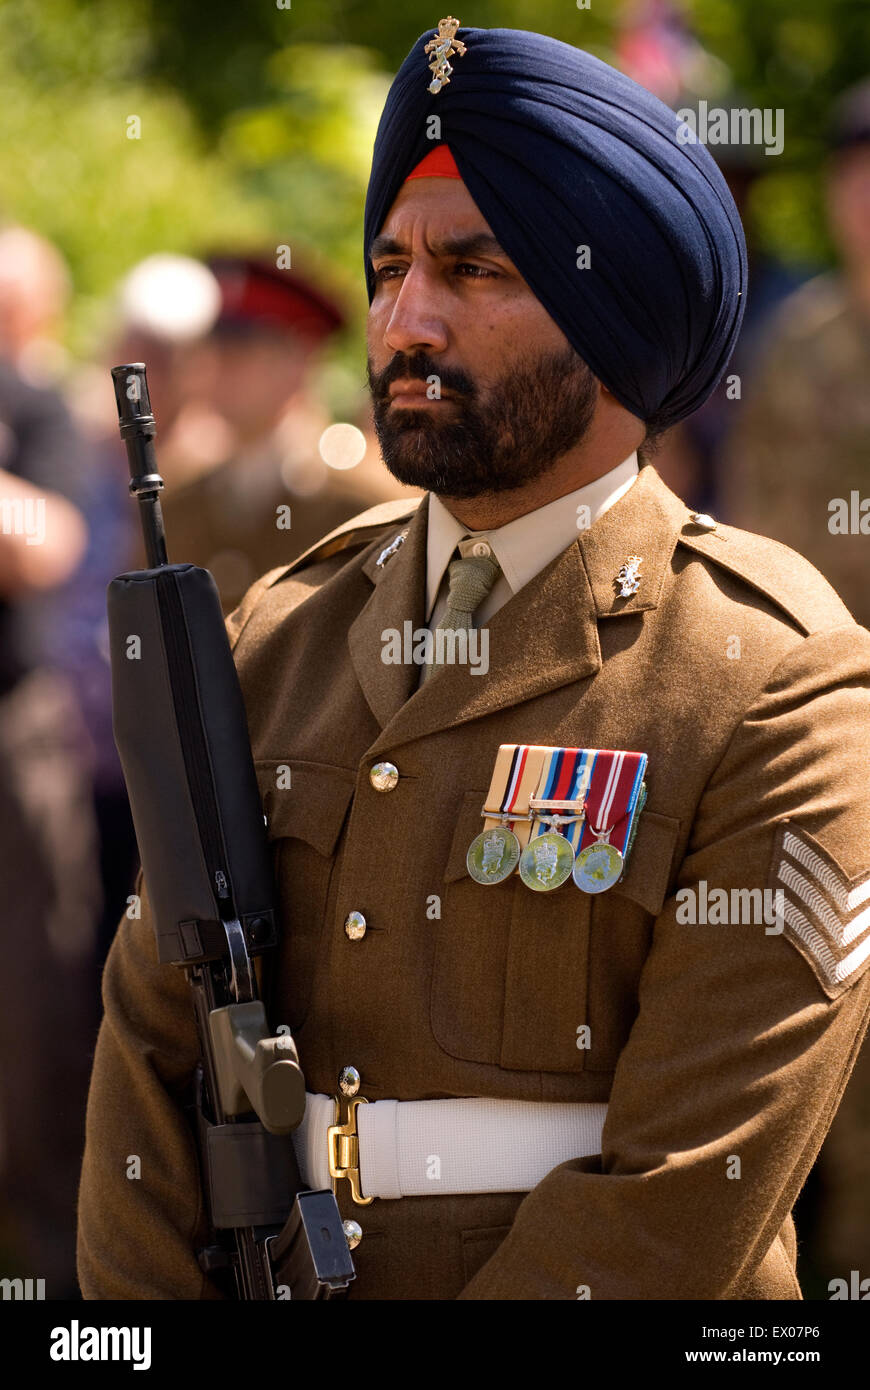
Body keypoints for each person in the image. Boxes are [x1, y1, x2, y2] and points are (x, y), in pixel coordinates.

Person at [78, 23, 870, 1301]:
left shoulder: (771, 675)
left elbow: (683, 1198)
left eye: (475, 268)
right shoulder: (281, 633)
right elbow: (146, 1076)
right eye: (390, 265)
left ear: (614, 318)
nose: (404, 318)